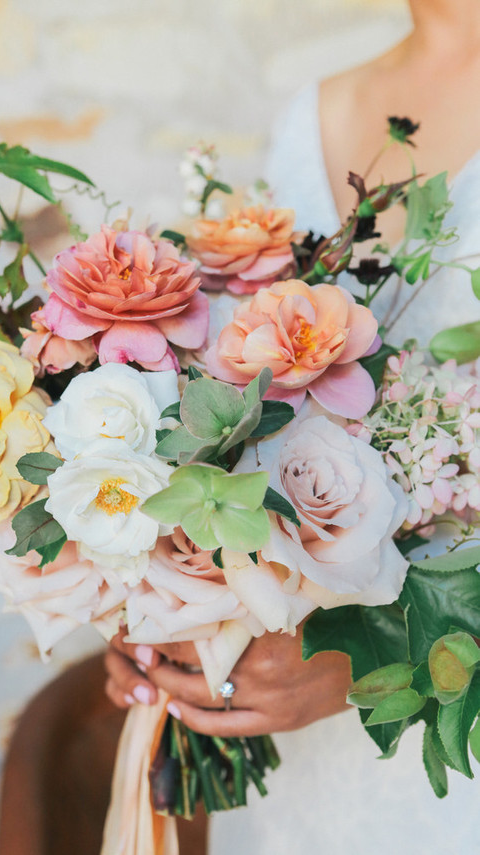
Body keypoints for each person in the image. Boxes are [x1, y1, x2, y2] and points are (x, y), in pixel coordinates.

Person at [104, 1, 480, 851]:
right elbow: (250, 402)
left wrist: (374, 653)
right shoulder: (314, 112)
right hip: (295, 770)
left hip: (453, 749)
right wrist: (163, 602)